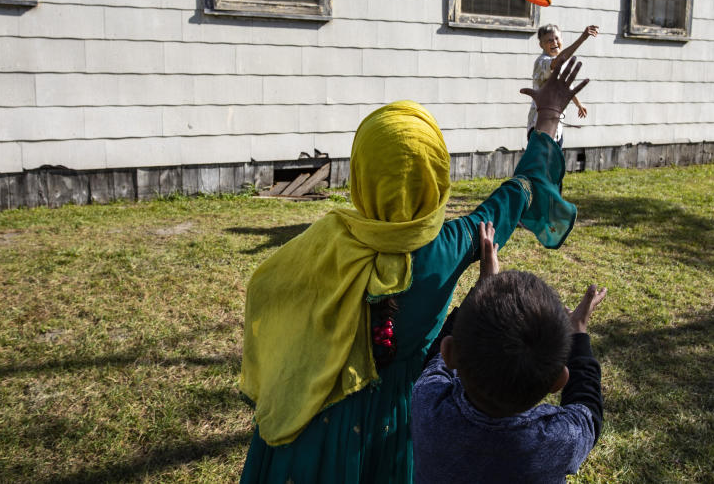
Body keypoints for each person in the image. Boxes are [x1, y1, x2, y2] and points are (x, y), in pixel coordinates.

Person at [239, 58, 589, 483]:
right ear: (437, 176)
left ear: (362, 175)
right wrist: (550, 115)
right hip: (399, 427)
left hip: (315, 426)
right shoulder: (454, 245)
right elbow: (522, 190)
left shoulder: (322, 245)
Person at [410, 222, 607, 484]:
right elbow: (588, 411)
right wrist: (578, 333)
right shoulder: (558, 441)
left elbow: (434, 361)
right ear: (558, 381)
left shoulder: (429, 405)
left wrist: (484, 285)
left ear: (450, 352)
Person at [527, 24, 598, 143]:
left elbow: (566, 87)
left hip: (557, 127)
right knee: (542, 161)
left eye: (556, 39)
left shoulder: (561, 63)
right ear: (541, 45)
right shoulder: (542, 62)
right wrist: (582, 38)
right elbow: (557, 61)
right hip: (540, 126)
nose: (554, 42)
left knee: (555, 161)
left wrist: (578, 104)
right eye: (549, 40)